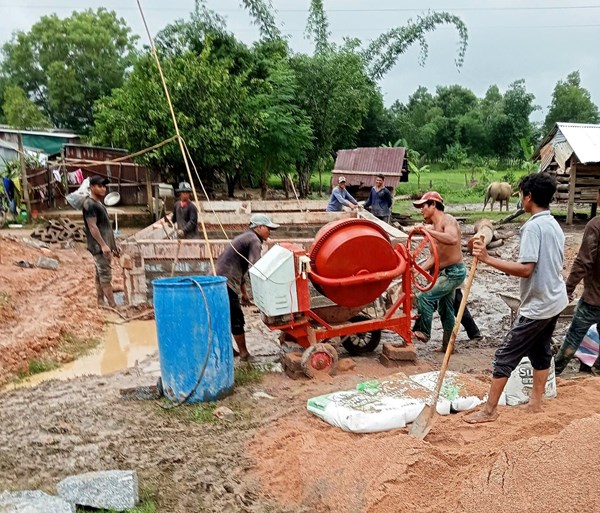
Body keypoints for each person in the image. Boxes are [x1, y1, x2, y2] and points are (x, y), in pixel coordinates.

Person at [464, 173, 568, 424]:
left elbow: (526, 269)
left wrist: (488, 259)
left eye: (521, 193)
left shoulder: (533, 227)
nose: (520, 197)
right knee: (540, 350)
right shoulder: (553, 223)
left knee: (505, 355)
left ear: (528, 196)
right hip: (555, 299)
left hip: (539, 305)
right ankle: (536, 402)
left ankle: (489, 410)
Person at [216, 213, 280, 361]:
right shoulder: (254, 240)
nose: (270, 232)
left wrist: (245, 295)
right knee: (236, 317)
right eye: (268, 228)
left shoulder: (245, 238)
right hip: (225, 282)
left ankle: (230, 350)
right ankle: (244, 354)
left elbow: (242, 269)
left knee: (223, 316)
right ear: (259, 227)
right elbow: (256, 267)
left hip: (217, 280)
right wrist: (268, 290)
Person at [411, 191, 467, 352]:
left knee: (425, 298)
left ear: (433, 205)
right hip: (442, 272)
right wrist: (417, 271)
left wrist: (427, 232)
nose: (421, 210)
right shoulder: (433, 229)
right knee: (445, 309)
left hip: (454, 272)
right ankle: (448, 347)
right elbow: (433, 258)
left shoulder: (447, 220)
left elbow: (452, 239)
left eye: (423, 206)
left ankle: (424, 332)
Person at [554, 187, 600, 375]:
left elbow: (583, 261)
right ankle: (592, 370)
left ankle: (554, 371)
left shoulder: (596, 225)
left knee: (574, 336)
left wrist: (568, 288)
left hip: (594, 299)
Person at [82, 175, 120, 308]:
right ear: (92, 187)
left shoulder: (98, 203)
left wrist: (113, 245)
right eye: (100, 186)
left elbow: (106, 228)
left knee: (99, 274)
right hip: (99, 247)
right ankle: (112, 304)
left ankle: (100, 301)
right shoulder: (89, 204)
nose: (103, 189)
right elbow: (92, 226)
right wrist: (103, 245)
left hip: (103, 245)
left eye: (104, 186)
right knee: (105, 275)